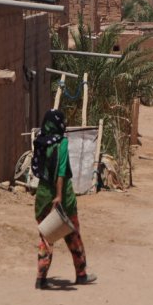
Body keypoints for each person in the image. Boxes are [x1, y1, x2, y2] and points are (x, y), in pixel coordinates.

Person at [32, 109, 96, 289]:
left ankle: (41, 278)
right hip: (63, 198)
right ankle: (81, 274)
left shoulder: (40, 141)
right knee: (73, 235)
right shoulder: (62, 143)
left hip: (42, 195)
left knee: (46, 237)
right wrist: (59, 195)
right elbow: (61, 171)